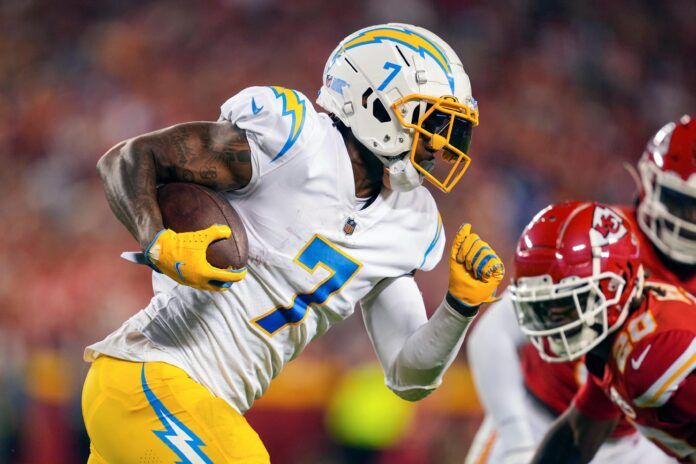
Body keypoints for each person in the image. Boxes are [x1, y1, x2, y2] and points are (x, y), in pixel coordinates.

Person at [81, 23, 504, 463]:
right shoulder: (294, 143)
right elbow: (127, 159)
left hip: (191, 406)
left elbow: (408, 376)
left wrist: (459, 308)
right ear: (371, 101)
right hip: (150, 375)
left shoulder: (409, 224)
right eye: (432, 121)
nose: (441, 143)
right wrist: (159, 243)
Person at [465, 116, 696, 464]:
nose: (689, 219)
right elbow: (494, 332)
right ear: (649, 181)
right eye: (681, 202)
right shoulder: (598, 241)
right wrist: (516, 437)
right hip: (542, 417)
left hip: (640, 438)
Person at [508, 201, 695, 463]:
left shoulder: (655, 356)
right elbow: (579, 433)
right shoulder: (617, 343)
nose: (551, 318)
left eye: (564, 302)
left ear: (615, 283)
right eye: (543, 306)